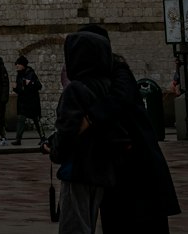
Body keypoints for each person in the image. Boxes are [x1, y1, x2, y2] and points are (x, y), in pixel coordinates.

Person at [78, 25, 181, 234]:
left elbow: (119, 98)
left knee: (144, 221)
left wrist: (91, 117)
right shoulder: (91, 78)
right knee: (117, 220)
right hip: (114, 169)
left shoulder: (119, 71)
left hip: (138, 163)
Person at [49, 30, 117, 234]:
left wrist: (54, 150)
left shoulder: (76, 89)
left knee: (75, 226)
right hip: (102, 169)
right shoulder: (108, 86)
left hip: (77, 169)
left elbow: (66, 131)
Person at [13, 53, 44, 145]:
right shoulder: (19, 75)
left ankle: (43, 138)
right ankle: (18, 139)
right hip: (23, 102)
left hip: (32, 102)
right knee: (21, 119)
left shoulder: (31, 73)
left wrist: (30, 83)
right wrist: (15, 88)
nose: (17, 66)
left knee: (36, 120)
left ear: (23, 65)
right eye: (16, 64)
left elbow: (39, 86)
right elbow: (20, 90)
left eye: (19, 64)